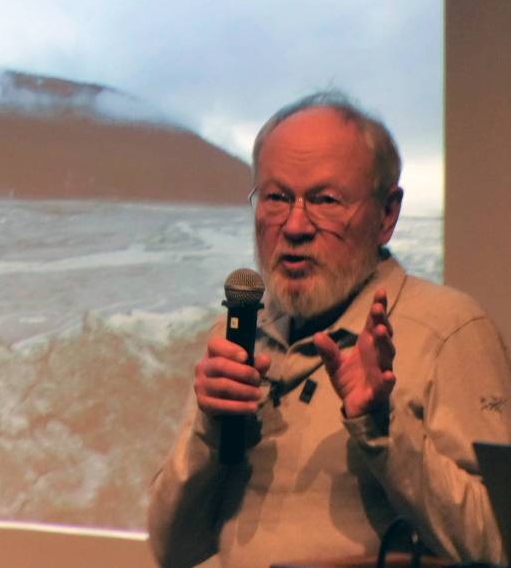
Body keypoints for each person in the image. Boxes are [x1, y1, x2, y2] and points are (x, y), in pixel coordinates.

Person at [147, 92, 511, 568]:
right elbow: (174, 551)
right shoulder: (238, 334)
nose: (295, 225)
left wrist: (381, 430)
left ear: (386, 215)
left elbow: (497, 545)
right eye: (276, 197)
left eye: (324, 200)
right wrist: (208, 434)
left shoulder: (448, 331)